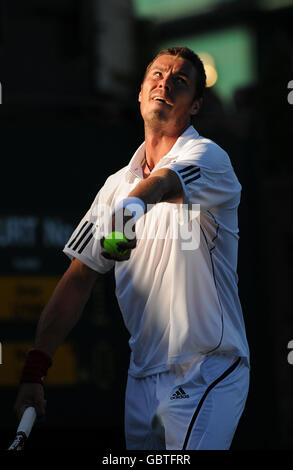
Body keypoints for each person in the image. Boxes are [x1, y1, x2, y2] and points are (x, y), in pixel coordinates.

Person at [14, 46, 250, 450]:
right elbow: (78, 277)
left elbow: (159, 185)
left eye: (180, 81)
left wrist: (125, 217)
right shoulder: (113, 187)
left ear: (194, 106)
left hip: (207, 368)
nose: (165, 84)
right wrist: (35, 371)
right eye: (157, 76)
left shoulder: (209, 158)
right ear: (141, 93)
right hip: (141, 382)